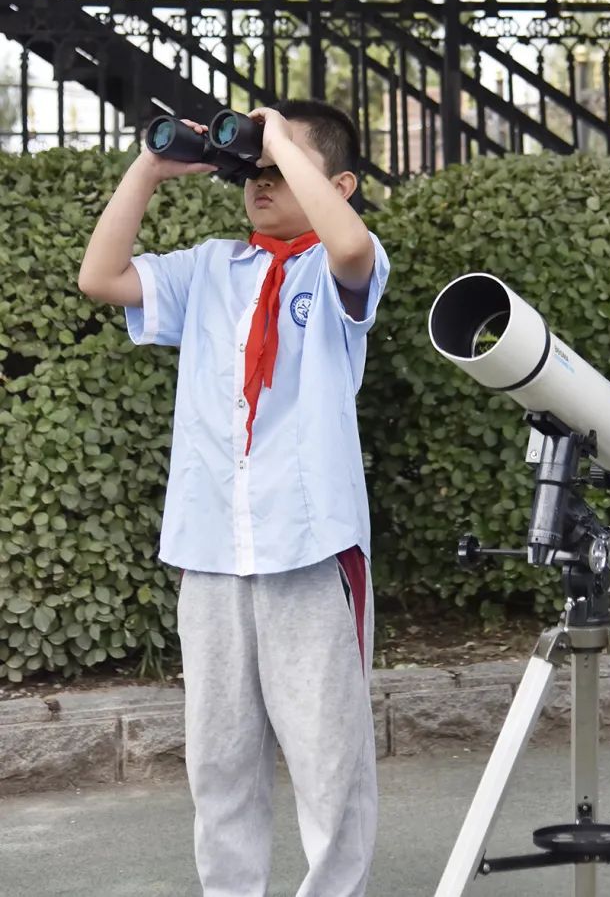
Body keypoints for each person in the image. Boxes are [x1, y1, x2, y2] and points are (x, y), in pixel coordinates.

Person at [78, 100, 389, 897]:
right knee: (219, 755)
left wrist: (282, 141)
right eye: (251, 170)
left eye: (280, 170)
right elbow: (100, 277)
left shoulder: (340, 266)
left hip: (311, 547)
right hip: (212, 546)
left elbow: (349, 240)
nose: (260, 180)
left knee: (328, 753)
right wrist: (149, 166)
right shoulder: (212, 267)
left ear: (339, 183)